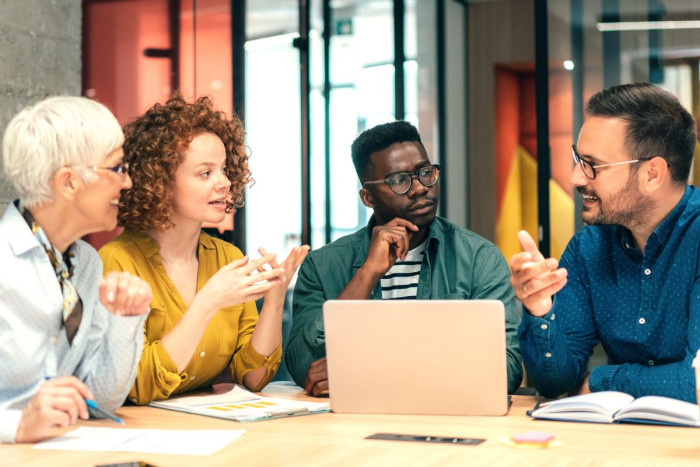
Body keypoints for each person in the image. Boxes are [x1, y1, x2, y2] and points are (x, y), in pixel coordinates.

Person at [285, 120, 523, 396]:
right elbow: (304, 366)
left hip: (449, 421)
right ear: (368, 197)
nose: (421, 187)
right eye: (399, 180)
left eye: (424, 172)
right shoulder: (322, 265)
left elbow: (506, 369)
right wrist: (367, 274)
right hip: (351, 426)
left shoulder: (479, 259)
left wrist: (372, 370)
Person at [99, 95, 309, 405]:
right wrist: (208, 302)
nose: (225, 182)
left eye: (224, 169)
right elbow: (137, 385)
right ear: (160, 182)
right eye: (205, 173)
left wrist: (275, 298)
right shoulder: (116, 262)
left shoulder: (228, 258)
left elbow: (252, 377)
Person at [512, 83, 700, 401]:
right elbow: (555, 383)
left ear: (652, 174)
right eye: (577, 159)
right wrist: (540, 309)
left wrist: (602, 380)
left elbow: (694, 383)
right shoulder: (589, 248)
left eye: (592, 165)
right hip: (613, 440)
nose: (576, 178)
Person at [0, 96, 153, 443]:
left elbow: (98, 397)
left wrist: (125, 320)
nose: (127, 182)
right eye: (117, 168)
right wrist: (16, 426)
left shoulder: (85, 263)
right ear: (68, 182)